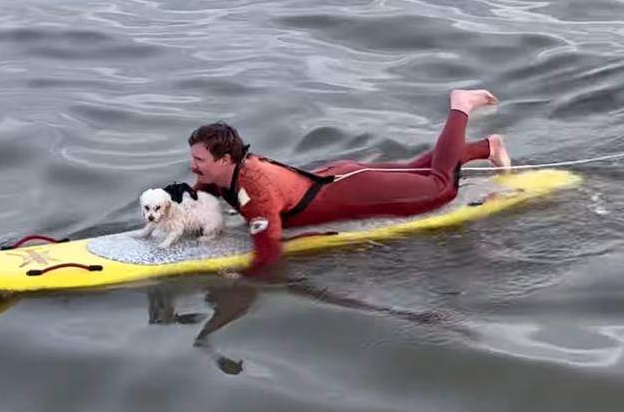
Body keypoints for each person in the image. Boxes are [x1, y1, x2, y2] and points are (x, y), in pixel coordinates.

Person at [187, 89, 512, 276]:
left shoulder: (253, 191)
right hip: (340, 179)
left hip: (356, 190)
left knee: (441, 187)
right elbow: (195, 199)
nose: (193, 166)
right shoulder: (217, 176)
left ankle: (461, 106)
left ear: (226, 160)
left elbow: (269, 254)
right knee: (417, 173)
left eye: (199, 160)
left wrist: (232, 281)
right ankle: (488, 147)